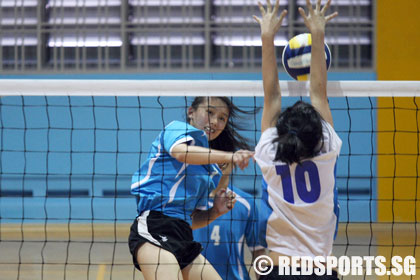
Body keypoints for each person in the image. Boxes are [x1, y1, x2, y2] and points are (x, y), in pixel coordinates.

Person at [253, 0, 341, 279]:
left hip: (276, 269)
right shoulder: (327, 147)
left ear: (281, 130)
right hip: (319, 270)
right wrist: (318, 33)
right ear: (318, 130)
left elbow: (272, 96)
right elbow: (318, 92)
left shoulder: (268, 151)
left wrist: (267, 37)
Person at [128, 96, 255, 280]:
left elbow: (193, 219)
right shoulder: (177, 129)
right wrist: (230, 156)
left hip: (184, 235)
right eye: (210, 112)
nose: (215, 122)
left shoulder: (209, 170)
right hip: (155, 226)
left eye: (222, 118)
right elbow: (181, 153)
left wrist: (215, 212)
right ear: (191, 112)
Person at [193, 183, 265, 280]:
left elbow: (258, 252)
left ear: (233, 166)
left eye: (223, 166)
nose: (218, 167)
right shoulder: (187, 201)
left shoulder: (246, 203)